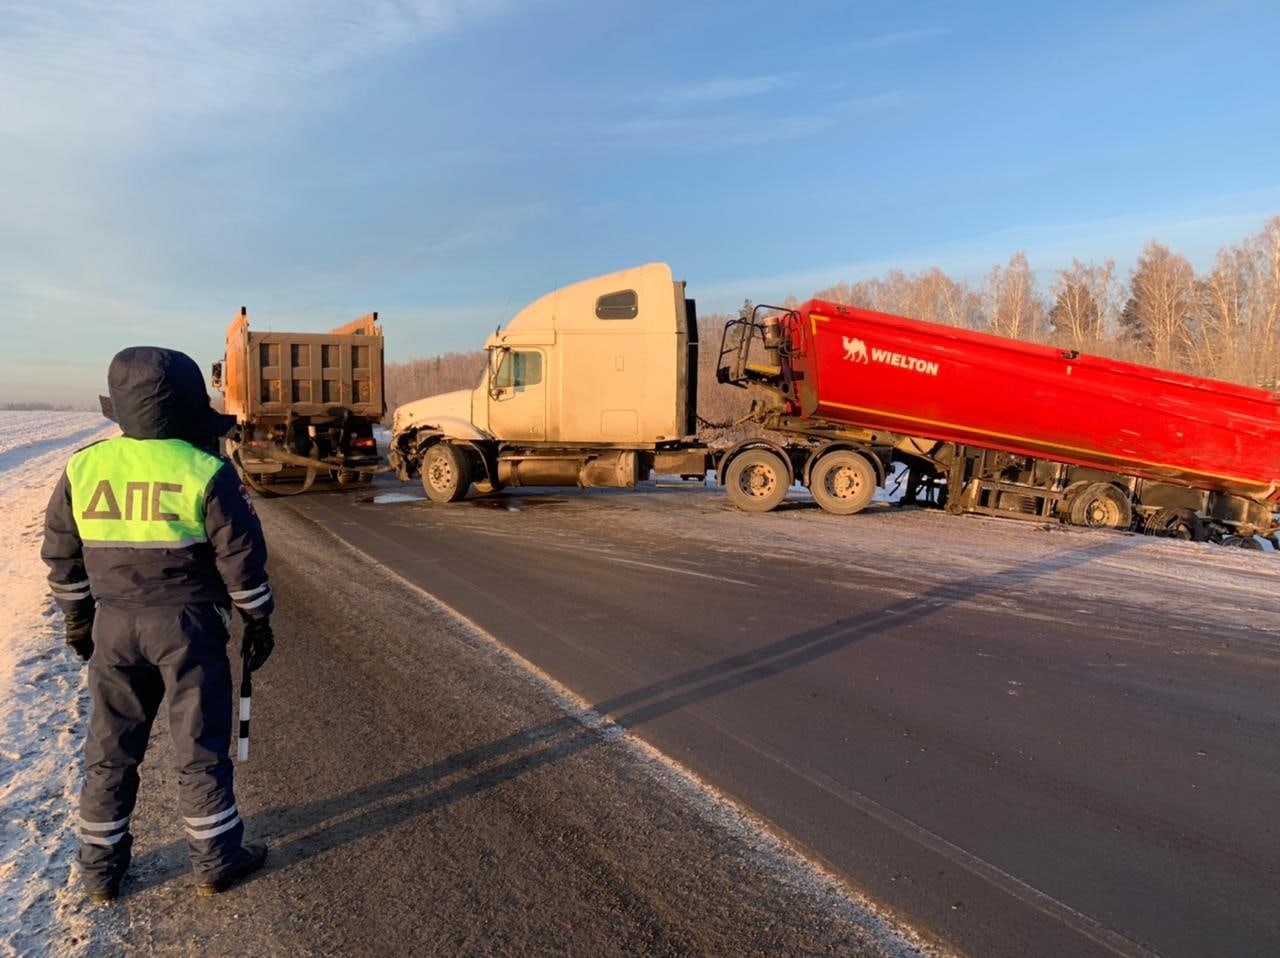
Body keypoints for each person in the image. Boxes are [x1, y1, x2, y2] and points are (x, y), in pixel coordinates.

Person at [42, 346, 276, 903]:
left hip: (114, 626)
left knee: (110, 749)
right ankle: (216, 858)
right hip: (188, 628)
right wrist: (257, 620)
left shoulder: (84, 466)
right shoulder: (206, 470)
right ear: (188, 407)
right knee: (198, 747)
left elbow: (61, 556)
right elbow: (241, 561)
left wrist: (78, 620)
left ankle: (100, 873)